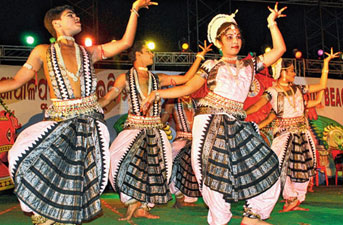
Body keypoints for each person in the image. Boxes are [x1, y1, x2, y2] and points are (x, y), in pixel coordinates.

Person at [2, 1, 156, 224]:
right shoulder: (43, 51)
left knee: (79, 176)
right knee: (20, 154)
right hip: (59, 119)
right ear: (56, 23)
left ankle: (61, 216)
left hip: (88, 122)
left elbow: (125, 43)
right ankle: (43, 210)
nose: (77, 18)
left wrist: (134, 10)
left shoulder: (88, 52)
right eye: (70, 15)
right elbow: (16, 81)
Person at [141, 3, 287, 225]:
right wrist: (158, 93)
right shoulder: (211, 64)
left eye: (237, 36)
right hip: (211, 121)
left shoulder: (249, 65)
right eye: (229, 37)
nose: (235, 40)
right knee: (213, 175)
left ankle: (253, 216)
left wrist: (271, 24)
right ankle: (219, 220)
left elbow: (279, 51)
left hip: (238, 123)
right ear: (219, 42)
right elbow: (189, 88)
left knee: (266, 163)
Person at [99, 40, 212, 221]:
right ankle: (132, 203)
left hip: (154, 130)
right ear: (137, 54)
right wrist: (90, 107)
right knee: (119, 161)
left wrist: (199, 57)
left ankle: (143, 207)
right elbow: (108, 98)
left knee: (155, 168)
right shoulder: (125, 78)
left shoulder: (157, 78)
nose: (152, 55)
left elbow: (185, 79)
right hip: (133, 128)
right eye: (148, 52)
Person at [246, 49, 340, 212]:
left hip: (302, 134)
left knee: (303, 167)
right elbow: (258, 106)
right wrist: (242, 113)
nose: (294, 73)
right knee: (277, 165)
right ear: (282, 72)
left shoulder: (299, 89)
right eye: (291, 71)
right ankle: (289, 197)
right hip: (284, 134)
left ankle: (296, 199)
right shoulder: (272, 92)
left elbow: (322, 86)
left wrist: (325, 64)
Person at [161, 95, 200, 208]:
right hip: (181, 138)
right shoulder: (172, 101)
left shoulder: (195, 101)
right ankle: (179, 197)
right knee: (172, 166)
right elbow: (165, 117)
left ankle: (188, 198)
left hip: (195, 139)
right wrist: (157, 126)